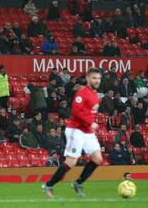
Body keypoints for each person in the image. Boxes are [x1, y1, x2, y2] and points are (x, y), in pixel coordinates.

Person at [43, 68, 103, 198]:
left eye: (98, 78)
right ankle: (48, 185)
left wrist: (91, 124)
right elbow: (75, 111)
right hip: (76, 130)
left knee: (97, 158)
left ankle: (78, 183)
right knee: (71, 161)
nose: (97, 81)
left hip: (87, 131)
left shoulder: (95, 94)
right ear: (88, 78)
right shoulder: (82, 93)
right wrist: (90, 123)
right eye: (94, 78)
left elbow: (89, 112)